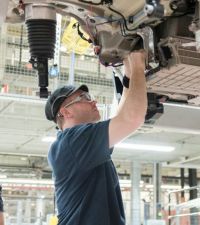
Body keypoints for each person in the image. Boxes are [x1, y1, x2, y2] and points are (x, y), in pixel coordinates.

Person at [44, 50, 148, 225]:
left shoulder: (81, 143)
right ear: (65, 112)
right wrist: (138, 62)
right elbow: (132, 118)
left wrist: (130, 69)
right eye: (83, 98)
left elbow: (122, 117)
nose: (93, 101)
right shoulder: (72, 143)